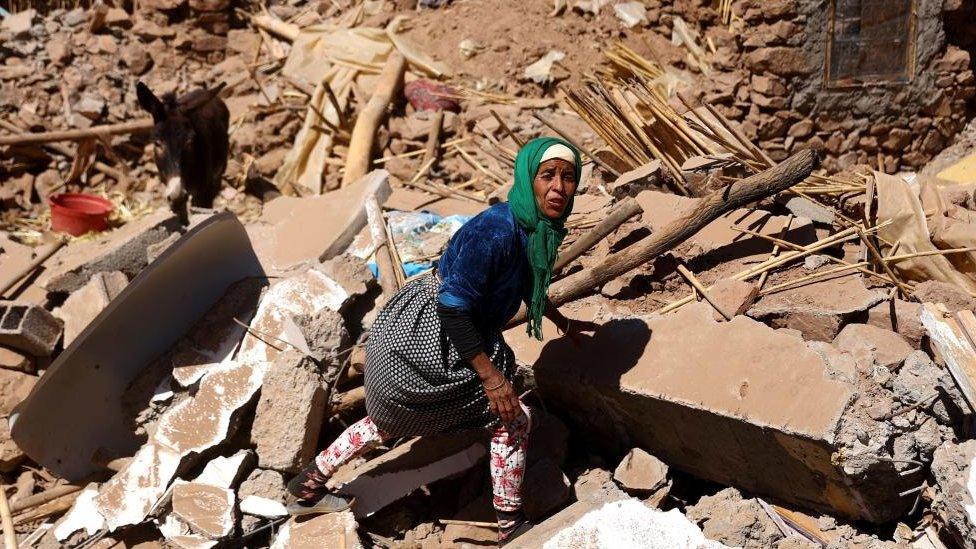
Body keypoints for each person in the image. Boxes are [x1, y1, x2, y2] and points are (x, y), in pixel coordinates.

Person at [285, 137, 598, 544]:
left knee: (388, 422)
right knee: (512, 420)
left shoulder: (531, 227)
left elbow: (519, 281)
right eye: (547, 175)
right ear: (527, 178)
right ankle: (512, 527)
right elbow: (453, 307)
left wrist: (562, 321)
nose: (558, 187)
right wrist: (491, 379)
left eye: (568, 177)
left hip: (431, 334)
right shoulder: (496, 232)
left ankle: (305, 486)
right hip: (426, 338)